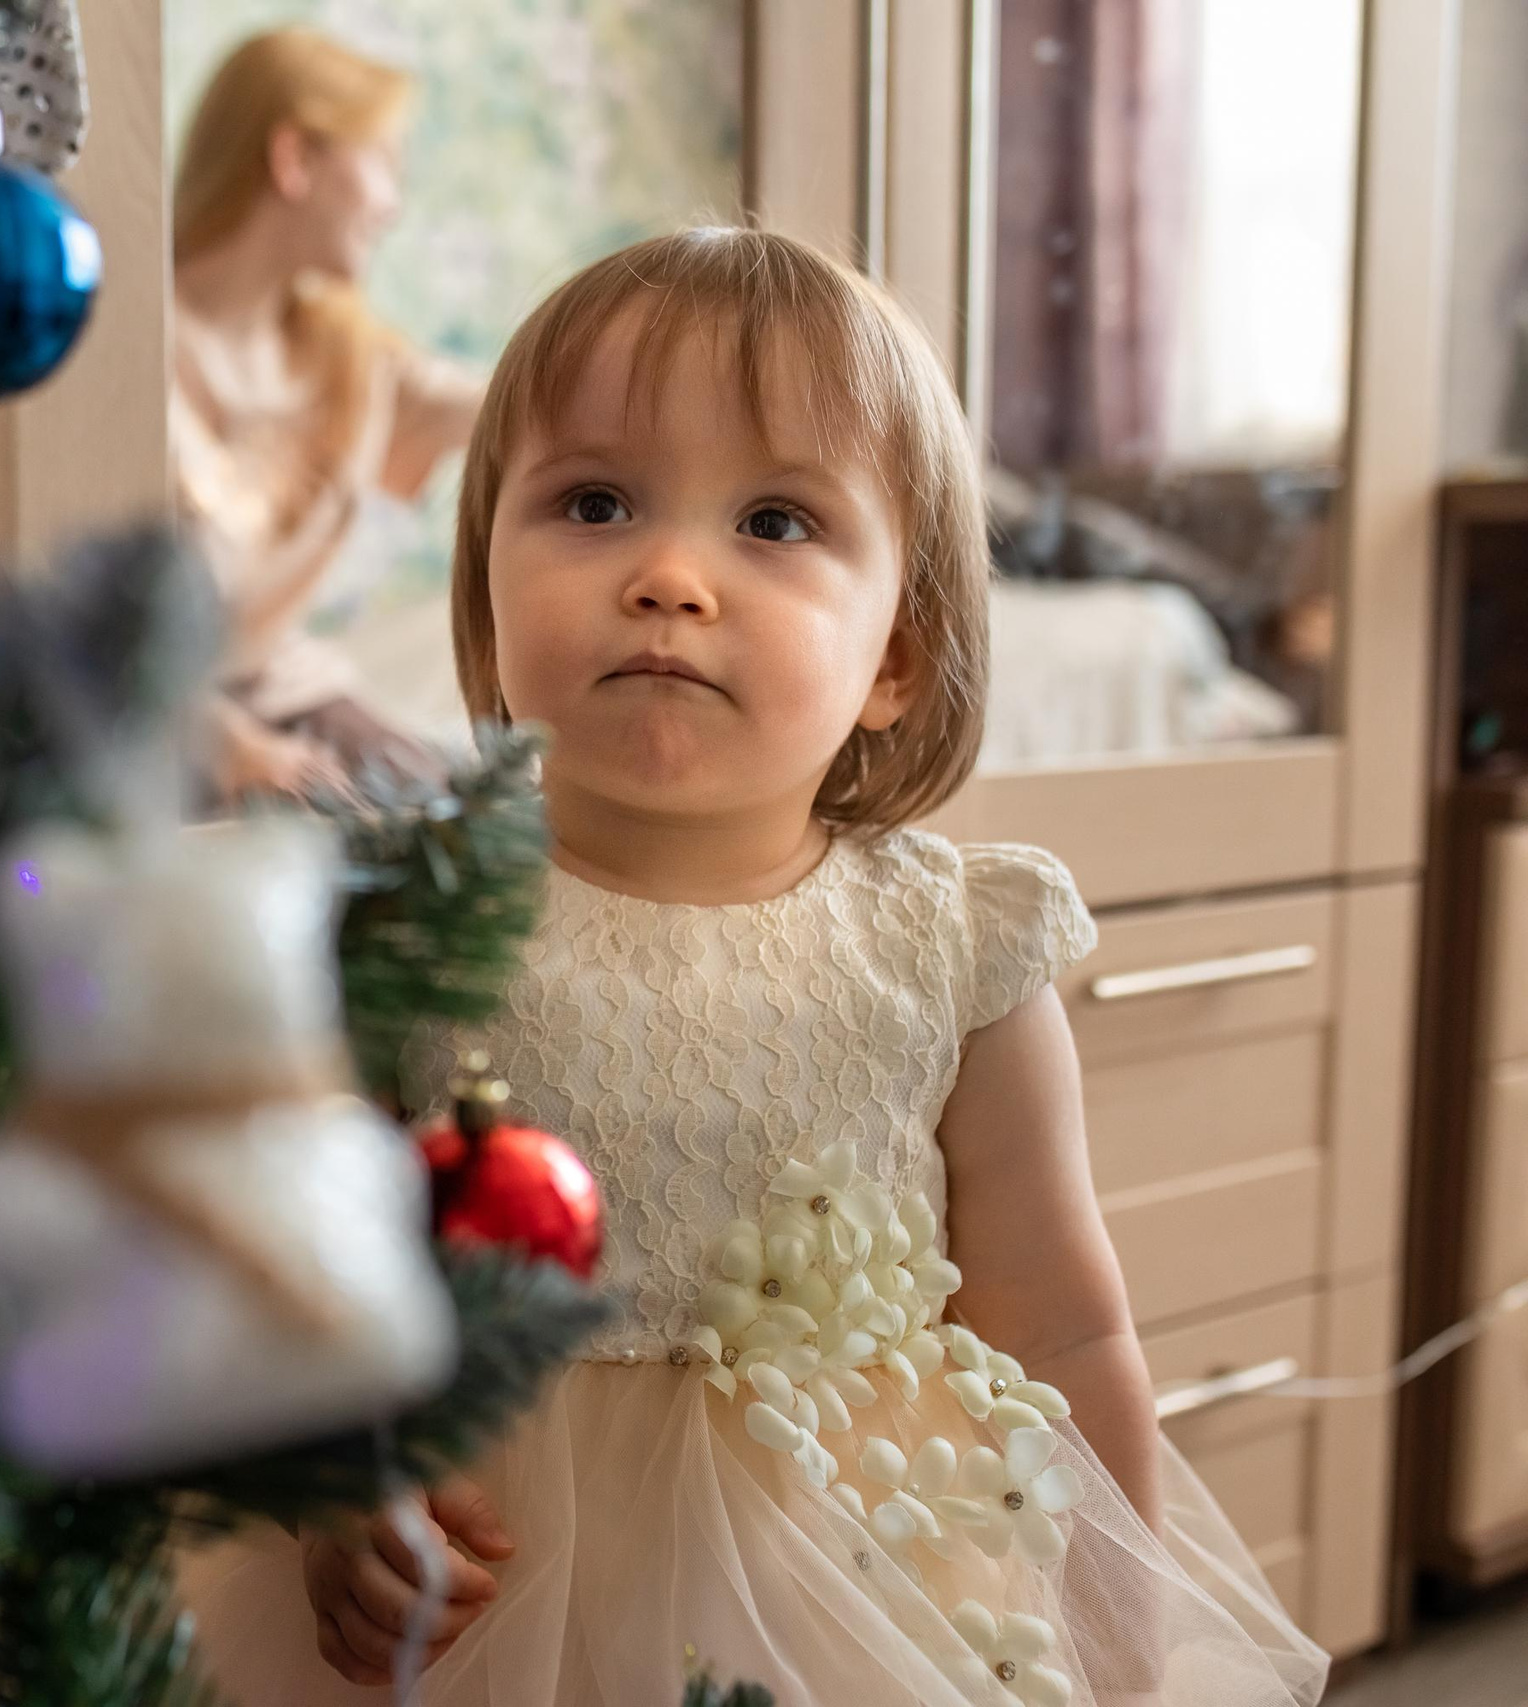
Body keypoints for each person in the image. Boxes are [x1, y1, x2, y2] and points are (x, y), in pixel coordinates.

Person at [176, 228, 1329, 1706]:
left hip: (858, 1596)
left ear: (896, 655)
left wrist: (1120, 1653)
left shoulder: (955, 947)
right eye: (595, 503)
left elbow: (1062, 1322)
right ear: (483, 593)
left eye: (775, 522)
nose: (668, 575)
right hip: (476, 1613)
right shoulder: (403, 923)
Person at [170, 28, 481, 802]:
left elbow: (505, 398)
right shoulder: (123, 352)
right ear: (295, 159)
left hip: (281, 686)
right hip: (141, 711)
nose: (393, 206)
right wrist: (233, 748)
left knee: (459, 812)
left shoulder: (348, 354)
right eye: (385, 166)